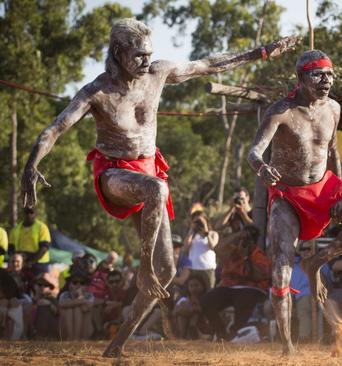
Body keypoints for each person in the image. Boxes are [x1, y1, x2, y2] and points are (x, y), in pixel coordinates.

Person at [19, 18, 298, 357]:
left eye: (149, 54)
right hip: (114, 174)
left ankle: (116, 345)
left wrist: (262, 52)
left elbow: (207, 65)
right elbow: (54, 130)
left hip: (149, 170)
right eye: (138, 55)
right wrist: (31, 166)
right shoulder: (97, 91)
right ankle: (144, 268)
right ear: (119, 53)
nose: (145, 61)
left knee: (167, 272)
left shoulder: (158, 73)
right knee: (156, 192)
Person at [247, 49, 342, 355]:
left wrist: (338, 190)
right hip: (288, 196)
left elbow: (333, 150)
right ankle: (288, 347)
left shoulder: (333, 108)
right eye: (318, 74)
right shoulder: (280, 111)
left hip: (324, 188)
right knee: (281, 269)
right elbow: (254, 152)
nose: (326, 80)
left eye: (330, 74)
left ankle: (316, 261)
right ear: (301, 78)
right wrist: (262, 168)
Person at [200, 226, 271, 341]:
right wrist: (237, 235)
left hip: (252, 289)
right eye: (242, 240)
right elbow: (217, 248)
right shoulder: (232, 251)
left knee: (243, 297)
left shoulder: (258, 255)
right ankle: (221, 334)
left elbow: (259, 276)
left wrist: (247, 257)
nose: (243, 243)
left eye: (247, 240)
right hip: (229, 288)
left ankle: (236, 333)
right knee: (206, 301)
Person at [289, 241, 333, 342]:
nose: (305, 252)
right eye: (303, 249)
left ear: (314, 250)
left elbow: (327, 284)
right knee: (271, 306)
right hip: (291, 296)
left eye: (308, 249)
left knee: (304, 304)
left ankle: (305, 339)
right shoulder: (293, 265)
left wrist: (315, 267)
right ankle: (277, 338)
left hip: (310, 295)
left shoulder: (322, 264)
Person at [8, 207, 51, 276]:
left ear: (36, 214)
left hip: (39, 264)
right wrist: (15, 260)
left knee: (38, 285)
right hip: (21, 264)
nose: (28, 215)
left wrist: (31, 262)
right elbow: (11, 248)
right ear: (23, 214)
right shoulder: (16, 229)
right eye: (26, 213)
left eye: (31, 212)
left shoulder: (42, 227)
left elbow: (44, 247)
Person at [183, 212, 218, 289]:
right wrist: (192, 230)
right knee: (193, 294)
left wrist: (205, 230)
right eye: (196, 221)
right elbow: (185, 248)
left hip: (208, 269)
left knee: (209, 293)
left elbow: (211, 246)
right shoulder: (192, 235)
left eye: (200, 221)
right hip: (193, 269)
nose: (198, 223)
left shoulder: (213, 234)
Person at [58, 273, 94, 340]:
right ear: (69, 285)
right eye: (75, 282)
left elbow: (85, 309)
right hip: (65, 332)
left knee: (77, 308)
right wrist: (82, 301)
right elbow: (62, 304)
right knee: (69, 309)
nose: (78, 285)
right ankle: (71, 337)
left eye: (82, 283)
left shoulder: (89, 296)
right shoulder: (65, 294)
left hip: (84, 331)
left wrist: (80, 295)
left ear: (86, 286)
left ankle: (76, 338)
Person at [173, 275, 210, 339]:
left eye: (196, 285)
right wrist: (190, 310)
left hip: (203, 324)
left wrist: (195, 309)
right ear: (188, 287)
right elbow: (174, 312)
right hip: (185, 323)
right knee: (182, 314)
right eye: (191, 286)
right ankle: (183, 336)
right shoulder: (184, 299)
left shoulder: (207, 298)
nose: (194, 288)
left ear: (203, 286)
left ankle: (195, 333)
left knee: (195, 314)